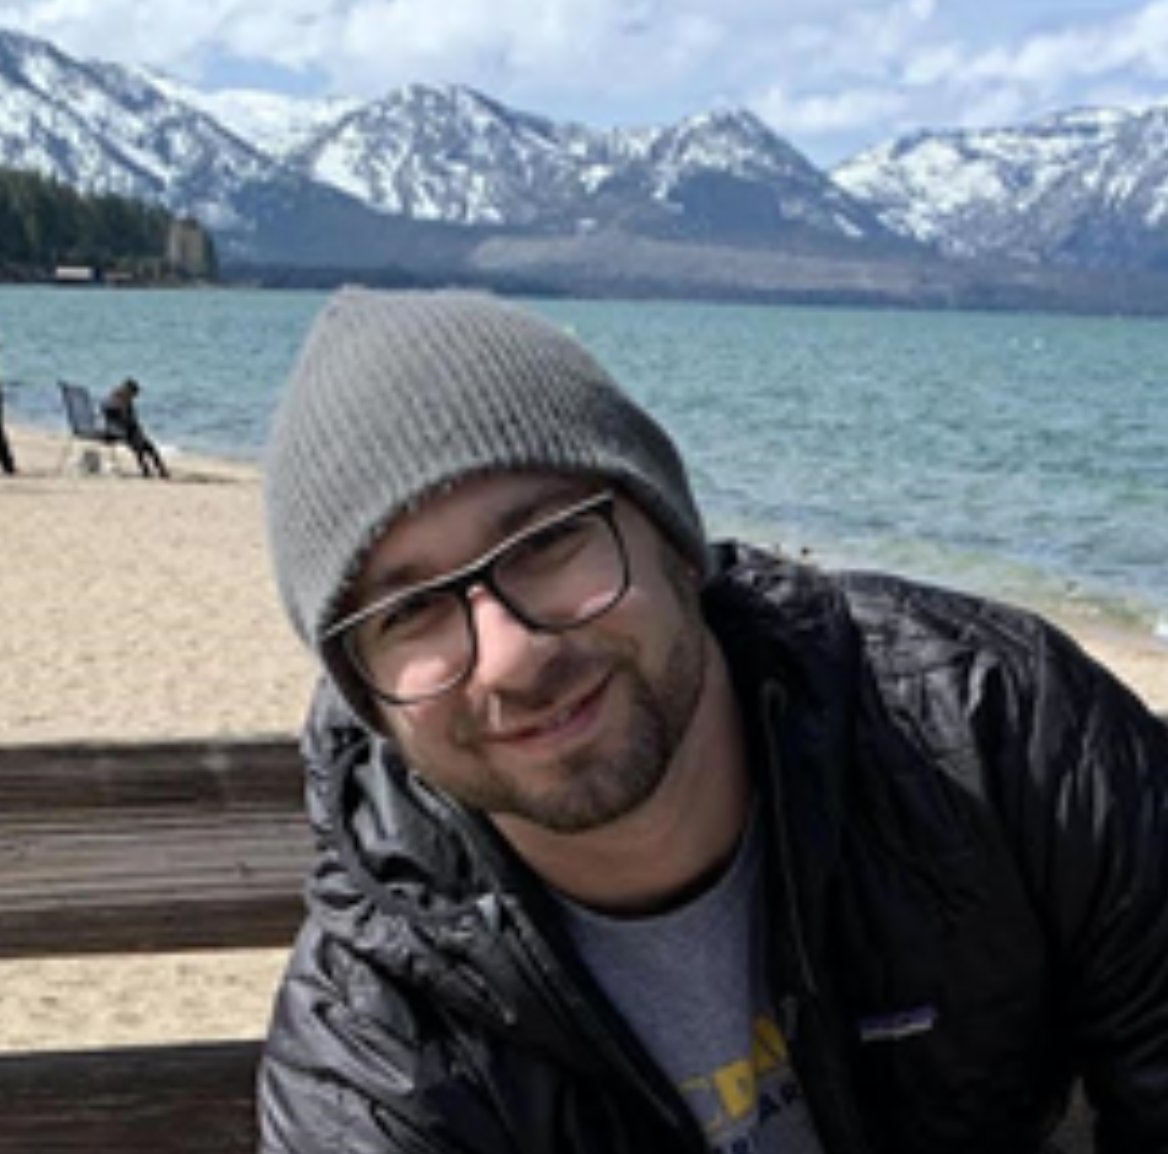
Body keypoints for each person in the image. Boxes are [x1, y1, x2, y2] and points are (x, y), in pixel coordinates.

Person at [259, 289, 1168, 1154]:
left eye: (545, 542)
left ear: (677, 539)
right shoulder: (370, 1054)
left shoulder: (1003, 733)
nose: (511, 657)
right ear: (369, 697)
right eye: (408, 611)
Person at [102, 377, 169, 478]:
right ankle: (148, 470)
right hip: (118, 431)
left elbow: (132, 420)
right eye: (134, 393)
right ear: (128, 390)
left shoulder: (123, 400)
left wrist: (137, 430)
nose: (135, 396)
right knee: (140, 445)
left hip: (126, 430)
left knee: (148, 446)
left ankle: (158, 470)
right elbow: (118, 417)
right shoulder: (116, 400)